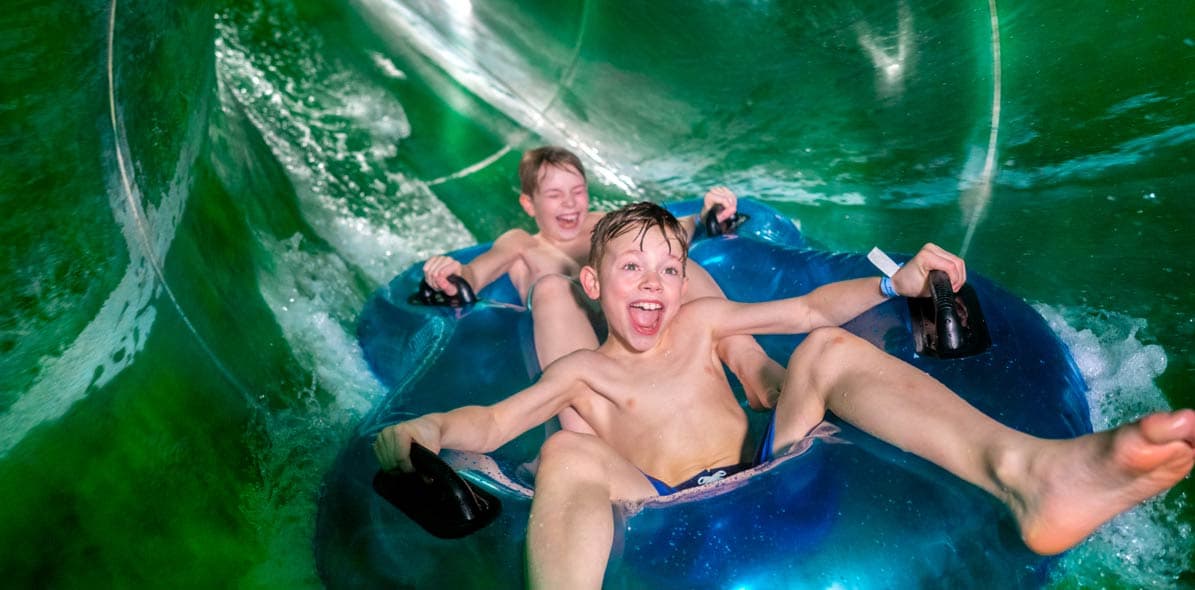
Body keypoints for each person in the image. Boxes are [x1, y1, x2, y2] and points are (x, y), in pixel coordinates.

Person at [376, 202, 1195, 589]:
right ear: (591, 284)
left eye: (668, 267)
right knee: (564, 452)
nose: (654, 285)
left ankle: (1029, 474)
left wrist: (895, 282)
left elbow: (808, 308)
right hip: (662, 517)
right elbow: (489, 423)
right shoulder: (585, 374)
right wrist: (425, 429)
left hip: (781, 475)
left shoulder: (699, 325)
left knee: (828, 349)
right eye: (631, 269)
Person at [421, 146, 784, 421]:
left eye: (577, 191)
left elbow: (669, 233)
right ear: (529, 204)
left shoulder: (604, 223)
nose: (570, 203)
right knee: (556, 287)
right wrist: (449, 276)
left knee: (680, 262)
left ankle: (754, 369)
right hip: (582, 348)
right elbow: (474, 276)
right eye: (554, 194)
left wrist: (709, 216)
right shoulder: (521, 245)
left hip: (638, 324)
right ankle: (596, 427)